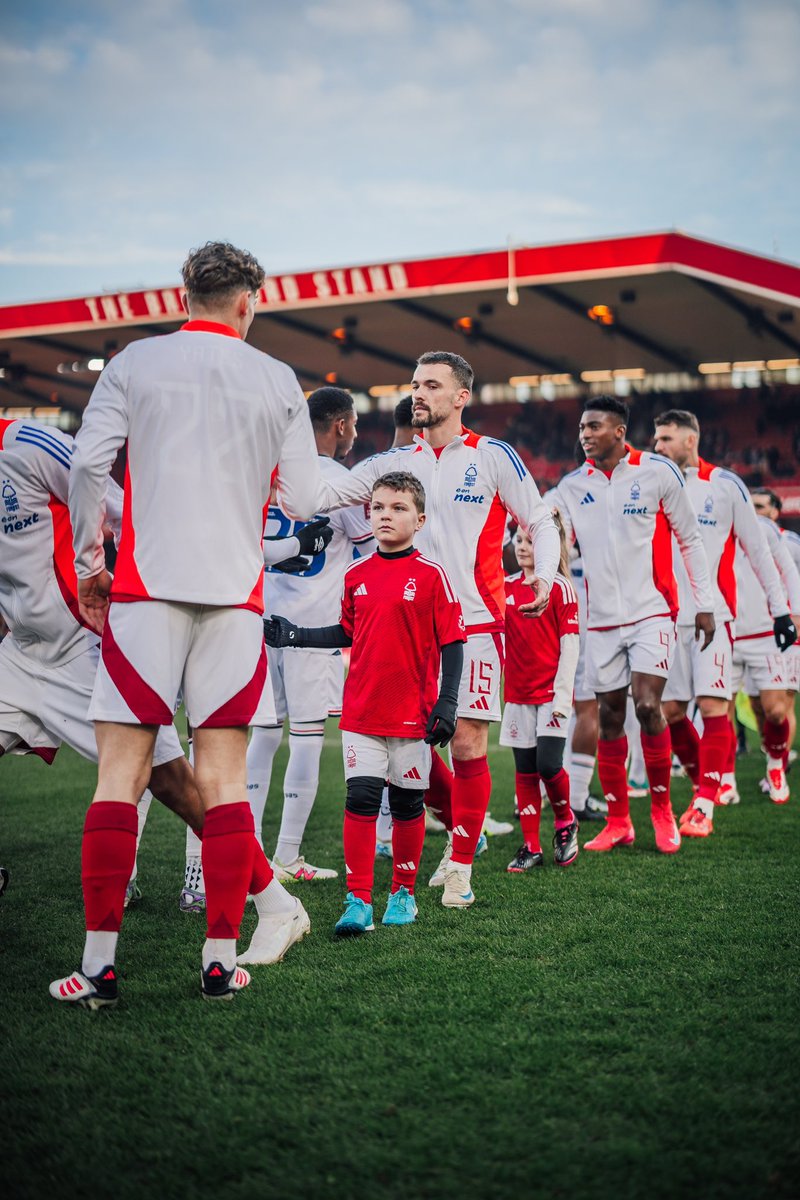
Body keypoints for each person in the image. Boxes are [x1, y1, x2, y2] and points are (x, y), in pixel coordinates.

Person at [52, 241, 324, 1005]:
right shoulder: (275, 378)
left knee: (119, 776)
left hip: (144, 595)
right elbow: (302, 500)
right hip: (233, 604)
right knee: (227, 783)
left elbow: (85, 467)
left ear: (185, 295)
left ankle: (100, 967)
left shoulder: (136, 362)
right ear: (248, 303)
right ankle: (218, 962)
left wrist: (88, 561)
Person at [315, 351, 559, 908]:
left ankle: (461, 867)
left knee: (469, 742)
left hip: (473, 624)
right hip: (406, 633)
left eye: (431, 385)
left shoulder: (494, 456)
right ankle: (458, 832)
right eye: (415, 384)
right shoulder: (395, 462)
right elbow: (323, 496)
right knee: (412, 745)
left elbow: (539, 520)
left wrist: (543, 576)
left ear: (460, 396)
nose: (418, 394)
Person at [265, 471, 465, 932]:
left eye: (397, 509)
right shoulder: (356, 575)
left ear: (419, 519)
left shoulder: (432, 576)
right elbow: (347, 632)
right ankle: (358, 900)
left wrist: (448, 703)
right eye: (378, 508)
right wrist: (297, 636)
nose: (385, 516)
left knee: (409, 805)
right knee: (361, 800)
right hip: (362, 712)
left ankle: (403, 894)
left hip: (413, 715)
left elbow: (454, 642)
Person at [554, 396, 715, 855]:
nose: (585, 434)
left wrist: (703, 603)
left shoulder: (656, 473)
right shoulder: (570, 486)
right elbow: (550, 532)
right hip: (600, 621)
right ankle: (620, 820)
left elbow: (689, 537)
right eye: (582, 427)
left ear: (619, 432)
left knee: (648, 706)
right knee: (609, 717)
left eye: (595, 426)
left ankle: (662, 813)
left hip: (651, 612)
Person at [246, 385, 375, 883]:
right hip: (312, 628)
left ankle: (252, 850)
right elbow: (368, 552)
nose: (356, 434)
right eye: (355, 424)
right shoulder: (340, 481)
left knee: (263, 734)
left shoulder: (271, 472)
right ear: (339, 424)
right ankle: (288, 857)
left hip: (262, 621)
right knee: (305, 739)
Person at [652, 410, 795, 836]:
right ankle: (707, 785)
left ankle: (704, 804)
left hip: (713, 617)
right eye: (655, 440)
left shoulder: (725, 485)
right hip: (664, 616)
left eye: (665, 439)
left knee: (715, 705)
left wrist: (782, 610)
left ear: (690, 440)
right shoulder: (650, 483)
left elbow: (759, 551)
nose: (657, 447)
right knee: (672, 711)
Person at [501, 515, 580, 872]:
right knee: (525, 770)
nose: (521, 545)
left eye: (530, 541)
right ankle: (531, 845)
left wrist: (563, 698)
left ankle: (565, 821)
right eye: (518, 539)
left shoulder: (560, 588)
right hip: (518, 695)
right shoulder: (503, 587)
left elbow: (571, 646)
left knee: (549, 765)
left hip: (550, 694)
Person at [729, 507, 800, 804]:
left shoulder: (774, 534)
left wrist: (794, 614)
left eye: (760, 506)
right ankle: (725, 777)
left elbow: (791, 574)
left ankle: (776, 765)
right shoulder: (719, 528)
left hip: (768, 633)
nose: (754, 510)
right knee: (723, 710)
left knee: (776, 709)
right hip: (728, 632)